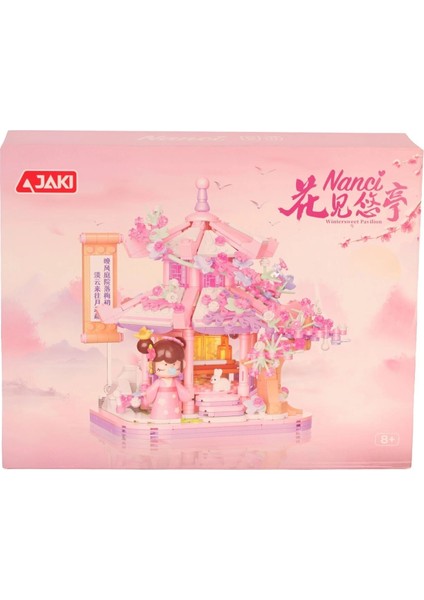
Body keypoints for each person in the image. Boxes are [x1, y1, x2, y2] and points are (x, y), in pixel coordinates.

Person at [135, 333, 192, 421]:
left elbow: (183, 392)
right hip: (159, 409)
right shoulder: (159, 382)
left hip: (175, 409)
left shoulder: (175, 382)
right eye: (165, 364)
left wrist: (188, 395)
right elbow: (151, 391)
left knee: (175, 416)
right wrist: (146, 395)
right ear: (152, 365)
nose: (170, 368)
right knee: (160, 414)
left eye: (174, 364)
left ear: (182, 364)